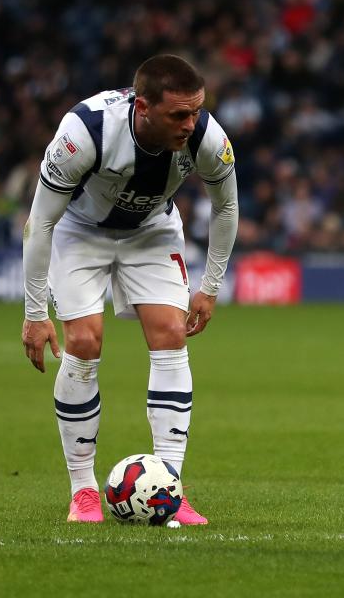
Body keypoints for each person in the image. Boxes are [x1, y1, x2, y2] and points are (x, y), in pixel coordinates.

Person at [21, 54, 239, 524]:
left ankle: (170, 491)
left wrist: (210, 287)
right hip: (79, 232)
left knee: (170, 334)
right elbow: (40, 221)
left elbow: (226, 207)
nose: (190, 123)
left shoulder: (207, 138)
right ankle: (82, 491)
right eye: (178, 114)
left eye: (196, 111)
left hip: (152, 230)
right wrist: (35, 312)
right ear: (143, 107)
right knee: (83, 340)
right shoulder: (85, 133)